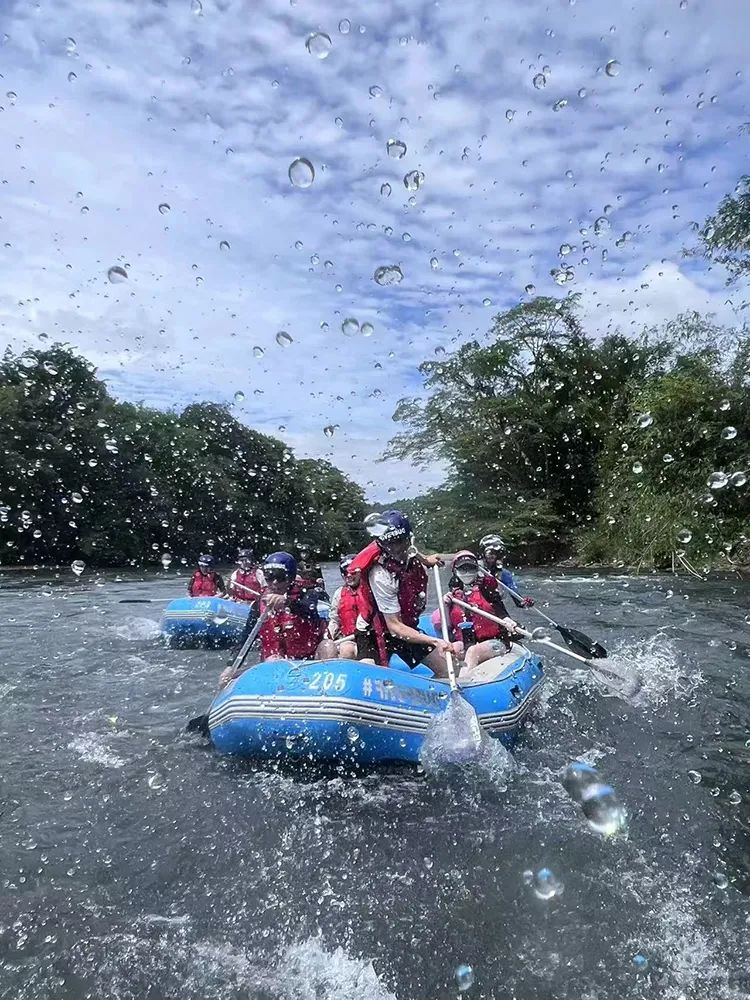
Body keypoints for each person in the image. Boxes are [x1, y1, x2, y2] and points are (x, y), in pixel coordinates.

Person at [348, 511, 457, 677]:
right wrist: (435, 640)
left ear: (408, 539)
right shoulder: (380, 574)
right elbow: (394, 627)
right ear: (381, 543)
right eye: (390, 544)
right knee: (371, 677)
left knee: (450, 671)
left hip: (406, 627)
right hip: (373, 630)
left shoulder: (407, 551)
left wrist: (426, 560)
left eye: (400, 542)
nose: (396, 550)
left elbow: (410, 551)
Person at [219, 552, 325, 688]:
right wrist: (230, 666)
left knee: (328, 646)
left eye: (280, 577)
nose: (274, 582)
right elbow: (246, 638)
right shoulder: (259, 604)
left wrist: (287, 603)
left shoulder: (307, 594)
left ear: (291, 578)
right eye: (269, 577)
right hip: (273, 662)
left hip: (309, 662)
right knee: (231, 677)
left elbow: (308, 609)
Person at [435, 550, 523, 671]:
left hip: (496, 642)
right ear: (455, 571)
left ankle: (463, 686)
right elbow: (448, 627)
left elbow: (502, 614)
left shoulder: (488, 591)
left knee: (472, 651)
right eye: (462, 569)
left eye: (471, 569)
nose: (467, 573)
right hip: (466, 642)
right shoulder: (453, 596)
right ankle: (448, 679)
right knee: (446, 651)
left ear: (477, 570)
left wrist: (509, 622)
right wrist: (445, 605)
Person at [316, 554, 358, 660]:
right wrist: (327, 636)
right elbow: (334, 619)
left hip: (365, 639)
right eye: (345, 572)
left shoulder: (370, 591)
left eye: (352, 572)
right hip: (346, 638)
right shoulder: (339, 593)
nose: (348, 575)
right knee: (327, 647)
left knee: (346, 649)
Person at [478, 534, 534, 608]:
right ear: (483, 553)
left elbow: (517, 600)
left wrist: (525, 602)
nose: (491, 556)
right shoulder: (474, 567)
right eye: (489, 552)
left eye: (495, 553)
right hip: (473, 604)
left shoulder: (504, 574)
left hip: (495, 606)